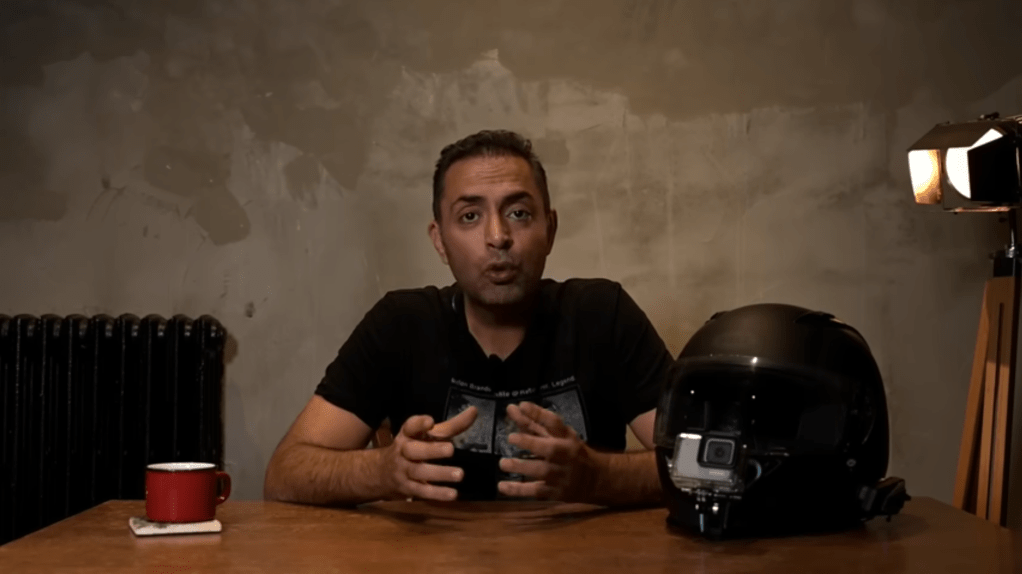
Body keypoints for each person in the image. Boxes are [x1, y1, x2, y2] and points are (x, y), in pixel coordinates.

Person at [263, 129, 673, 507]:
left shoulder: (602, 314)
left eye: (519, 213)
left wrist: (597, 477)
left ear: (549, 228)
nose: (498, 237)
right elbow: (284, 475)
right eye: (470, 217)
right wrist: (383, 471)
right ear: (440, 241)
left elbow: (705, 466)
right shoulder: (401, 324)